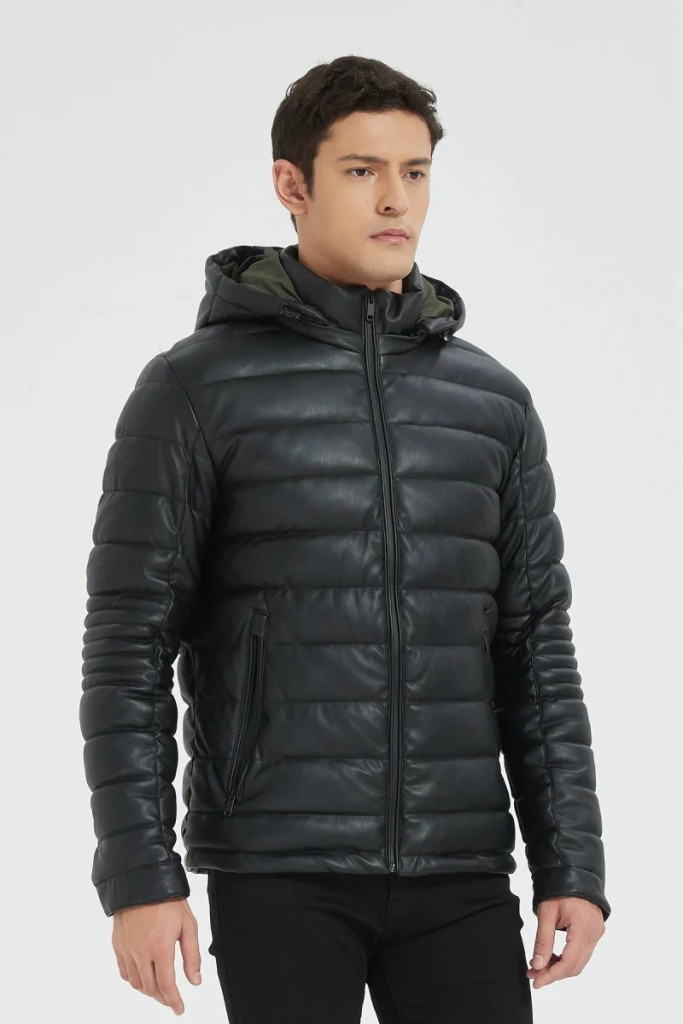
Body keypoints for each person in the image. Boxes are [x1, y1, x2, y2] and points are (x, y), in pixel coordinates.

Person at [80, 54, 611, 1023]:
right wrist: (139, 875)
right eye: (361, 170)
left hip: (458, 867)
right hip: (278, 865)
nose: (394, 198)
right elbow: (127, 644)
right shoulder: (194, 389)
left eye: (414, 172)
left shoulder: (490, 402)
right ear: (292, 185)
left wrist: (570, 862)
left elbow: (535, 647)